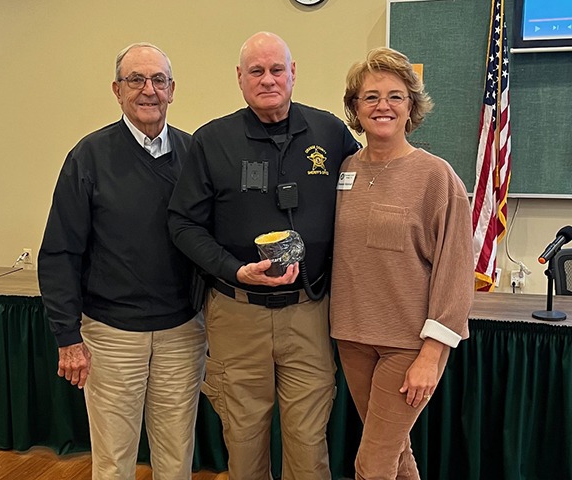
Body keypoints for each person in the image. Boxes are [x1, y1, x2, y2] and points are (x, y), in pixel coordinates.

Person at [168, 31, 358, 480]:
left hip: (309, 311)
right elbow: (182, 224)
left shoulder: (330, 131)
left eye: (277, 69)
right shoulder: (212, 141)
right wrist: (234, 269)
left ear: (294, 73)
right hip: (237, 315)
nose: (268, 79)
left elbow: (366, 190)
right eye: (257, 71)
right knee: (244, 439)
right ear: (240, 78)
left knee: (310, 444)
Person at [38, 43, 206, 480]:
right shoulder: (88, 157)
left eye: (158, 80)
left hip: (183, 334)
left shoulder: (194, 156)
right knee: (113, 462)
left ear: (173, 90)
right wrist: (67, 336)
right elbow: (59, 252)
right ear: (117, 90)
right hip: (111, 337)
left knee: (176, 458)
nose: (148, 90)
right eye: (136, 80)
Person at [331, 47, 473, 479]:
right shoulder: (345, 171)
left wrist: (432, 354)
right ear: (355, 108)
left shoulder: (437, 177)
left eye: (395, 96)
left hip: (406, 346)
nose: (383, 106)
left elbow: (455, 271)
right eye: (371, 97)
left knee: (371, 464)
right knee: (396, 454)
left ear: (411, 105)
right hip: (352, 338)